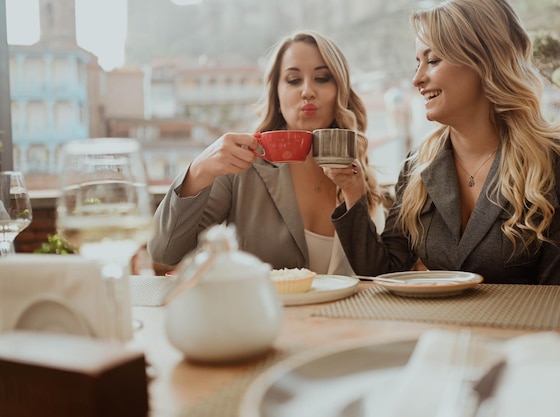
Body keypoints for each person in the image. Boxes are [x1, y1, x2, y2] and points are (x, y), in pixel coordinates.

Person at [327, 0, 560, 285]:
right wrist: (353, 190)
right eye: (417, 63)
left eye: (433, 61)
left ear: (482, 62)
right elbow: (382, 271)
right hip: (440, 330)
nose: (417, 79)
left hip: (528, 330)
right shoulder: (419, 165)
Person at [148, 30, 384, 276]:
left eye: (322, 78)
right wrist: (199, 170)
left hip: (348, 315)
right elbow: (164, 252)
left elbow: (379, 273)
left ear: (341, 90)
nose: (307, 91)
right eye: (293, 80)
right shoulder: (241, 167)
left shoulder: (360, 176)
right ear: (276, 94)